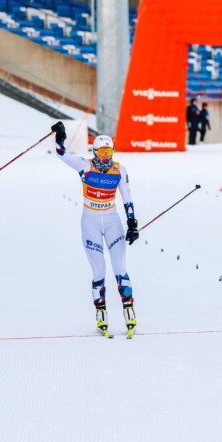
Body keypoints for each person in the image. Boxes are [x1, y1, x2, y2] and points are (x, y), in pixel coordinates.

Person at [51, 121, 139, 339]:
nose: (106, 156)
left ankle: (129, 311)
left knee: (120, 268)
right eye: (102, 152)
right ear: (95, 152)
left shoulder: (120, 170)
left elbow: (126, 197)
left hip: (112, 221)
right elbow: (62, 155)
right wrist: (60, 137)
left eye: (109, 151)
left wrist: (132, 223)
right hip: (90, 221)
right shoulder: (85, 166)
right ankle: (101, 314)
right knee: (99, 271)